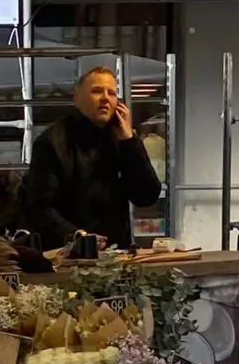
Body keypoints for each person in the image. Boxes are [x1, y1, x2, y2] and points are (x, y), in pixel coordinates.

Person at [19, 66, 163, 252]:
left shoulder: (121, 139)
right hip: (67, 254)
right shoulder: (52, 141)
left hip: (116, 252)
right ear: (76, 97)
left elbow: (146, 196)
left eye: (111, 93)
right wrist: (77, 236)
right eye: (97, 91)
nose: (105, 98)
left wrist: (130, 143)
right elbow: (40, 207)